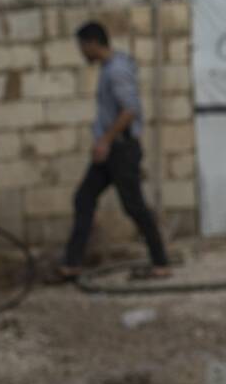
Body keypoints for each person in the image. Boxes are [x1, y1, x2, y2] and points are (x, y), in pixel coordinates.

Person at [57, 21, 171, 281]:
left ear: (93, 44)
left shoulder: (116, 70)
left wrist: (105, 140)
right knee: (83, 198)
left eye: (82, 47)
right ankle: (72, 263)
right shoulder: (111, 66)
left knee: (134, 206)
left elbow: (130, 110)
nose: (82, 53)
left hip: (120, 149)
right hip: (110, 150)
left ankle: (160, 262)